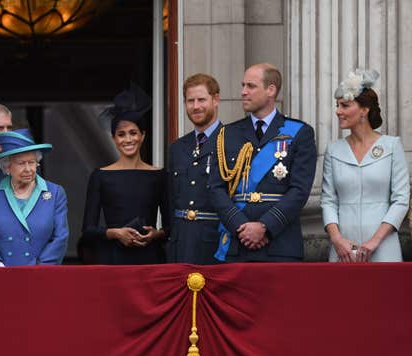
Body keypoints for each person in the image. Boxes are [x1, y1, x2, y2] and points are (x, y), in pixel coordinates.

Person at [209, 63, 317, 262]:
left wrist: (265, 226)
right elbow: (216, 188)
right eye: (243, 85)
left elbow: (299, 190)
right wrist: (240, 226)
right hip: (236, 243)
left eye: (251, 86)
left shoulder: (299, 132)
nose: (243, 92)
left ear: (271, 90)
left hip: (280, 244)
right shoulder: (227, 134)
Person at [321, 69, 410, 262]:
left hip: (383, 246)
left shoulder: (392, 146)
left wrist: (375, 241)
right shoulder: (333, 150)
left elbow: (401, 199)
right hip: (342, 249)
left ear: (364, 109)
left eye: (345, 105)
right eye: (337, 106)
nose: (338, 111)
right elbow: (328, 200)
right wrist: (337, 239)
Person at [81, 83, 168, 265]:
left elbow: (171, 228)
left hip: (150, 258)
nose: (128, 139)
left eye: (133, 133)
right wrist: (116, 233)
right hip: (113, 258)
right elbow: (88, 230)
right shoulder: (100, 176)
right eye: (121, 134)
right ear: (114, 138)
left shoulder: (159, 175)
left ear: (143, 135)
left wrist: (155, 234)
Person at [0, 129, 68, 266]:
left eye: (32, 162)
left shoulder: (55, 193)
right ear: (7, 167)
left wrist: (40, 267)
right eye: (21, 163)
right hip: (2, 274)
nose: (28, 169)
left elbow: (60, 237)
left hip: (41, 274)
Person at [167, 73, 222, 264]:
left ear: (216, 100)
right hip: (180, 244)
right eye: (190, 101)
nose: (196, 106)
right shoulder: (177, 147)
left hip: (215, 244)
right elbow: (171, 199)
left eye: (201, 99)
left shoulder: (231, 141)